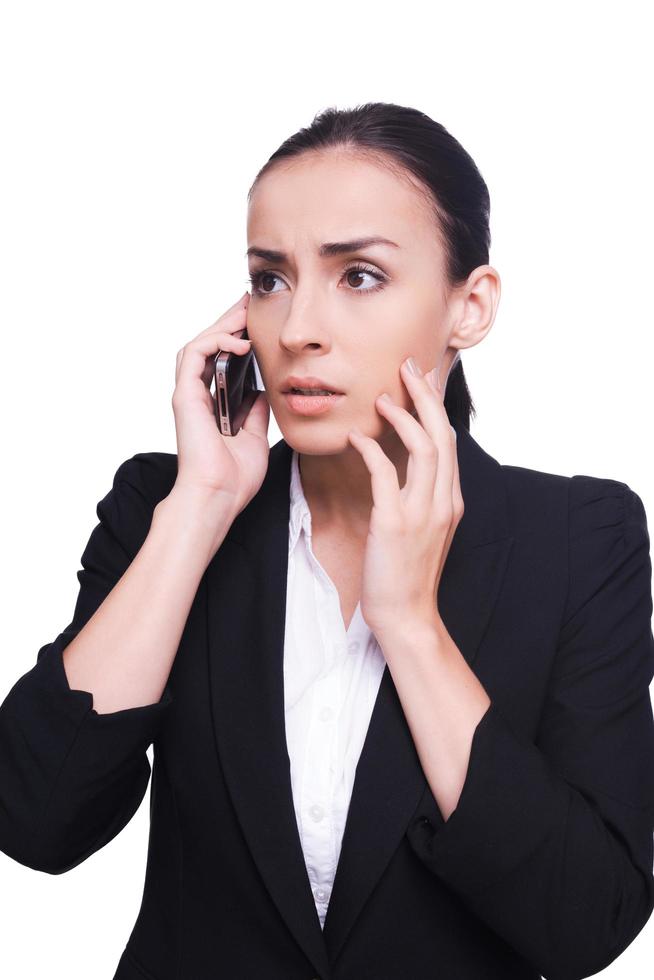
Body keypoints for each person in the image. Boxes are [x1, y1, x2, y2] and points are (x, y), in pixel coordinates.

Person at [1, 102, 653, 980]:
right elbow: (35, 821)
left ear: (470, 306)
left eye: (359, 277)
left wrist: (411, 626)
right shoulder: (166, 508)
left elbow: (585, 923)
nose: (298, 326)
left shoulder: (579, 541)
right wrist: (201, 508)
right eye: (270, 279)